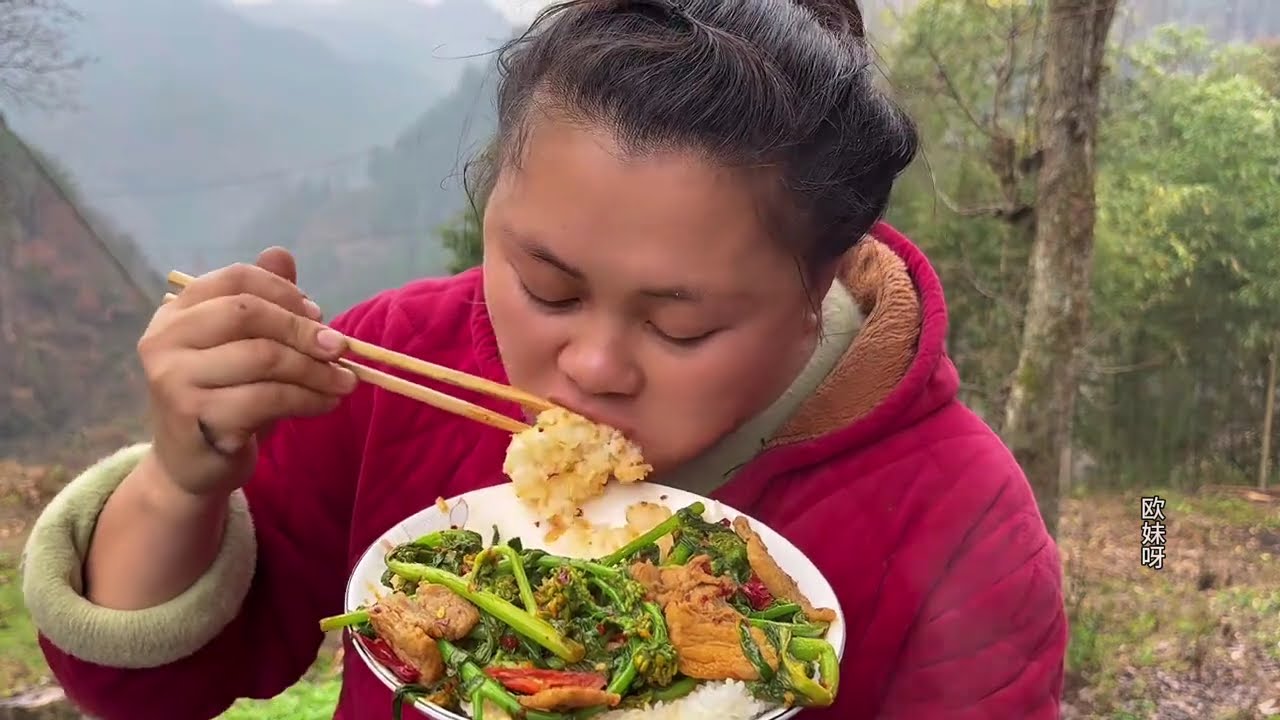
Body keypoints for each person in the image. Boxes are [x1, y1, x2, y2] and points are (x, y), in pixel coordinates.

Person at [21, 0, 1067, 718]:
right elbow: (150, 690)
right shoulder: (391, 363)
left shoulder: (957, 517)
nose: (593, 364)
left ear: (821, 280)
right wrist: (180, 476)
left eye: (680, 328)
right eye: (545, 287)